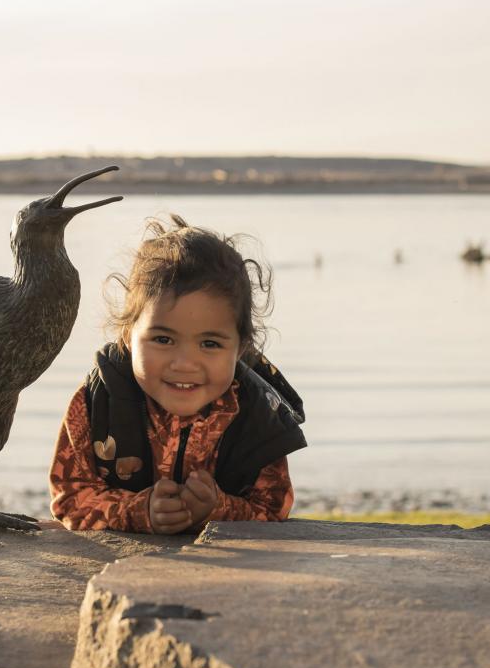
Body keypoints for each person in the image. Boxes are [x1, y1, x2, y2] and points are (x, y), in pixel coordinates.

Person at [49, 215, 307, 534]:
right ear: (128, 336)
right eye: (163, 339)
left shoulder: (257, 417)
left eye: (209, 343)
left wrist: (216, 510)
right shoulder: (97, 402)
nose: (184, 363)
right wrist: (139, 510)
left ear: (240, 349)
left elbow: (273, 509)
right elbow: (70, 498)